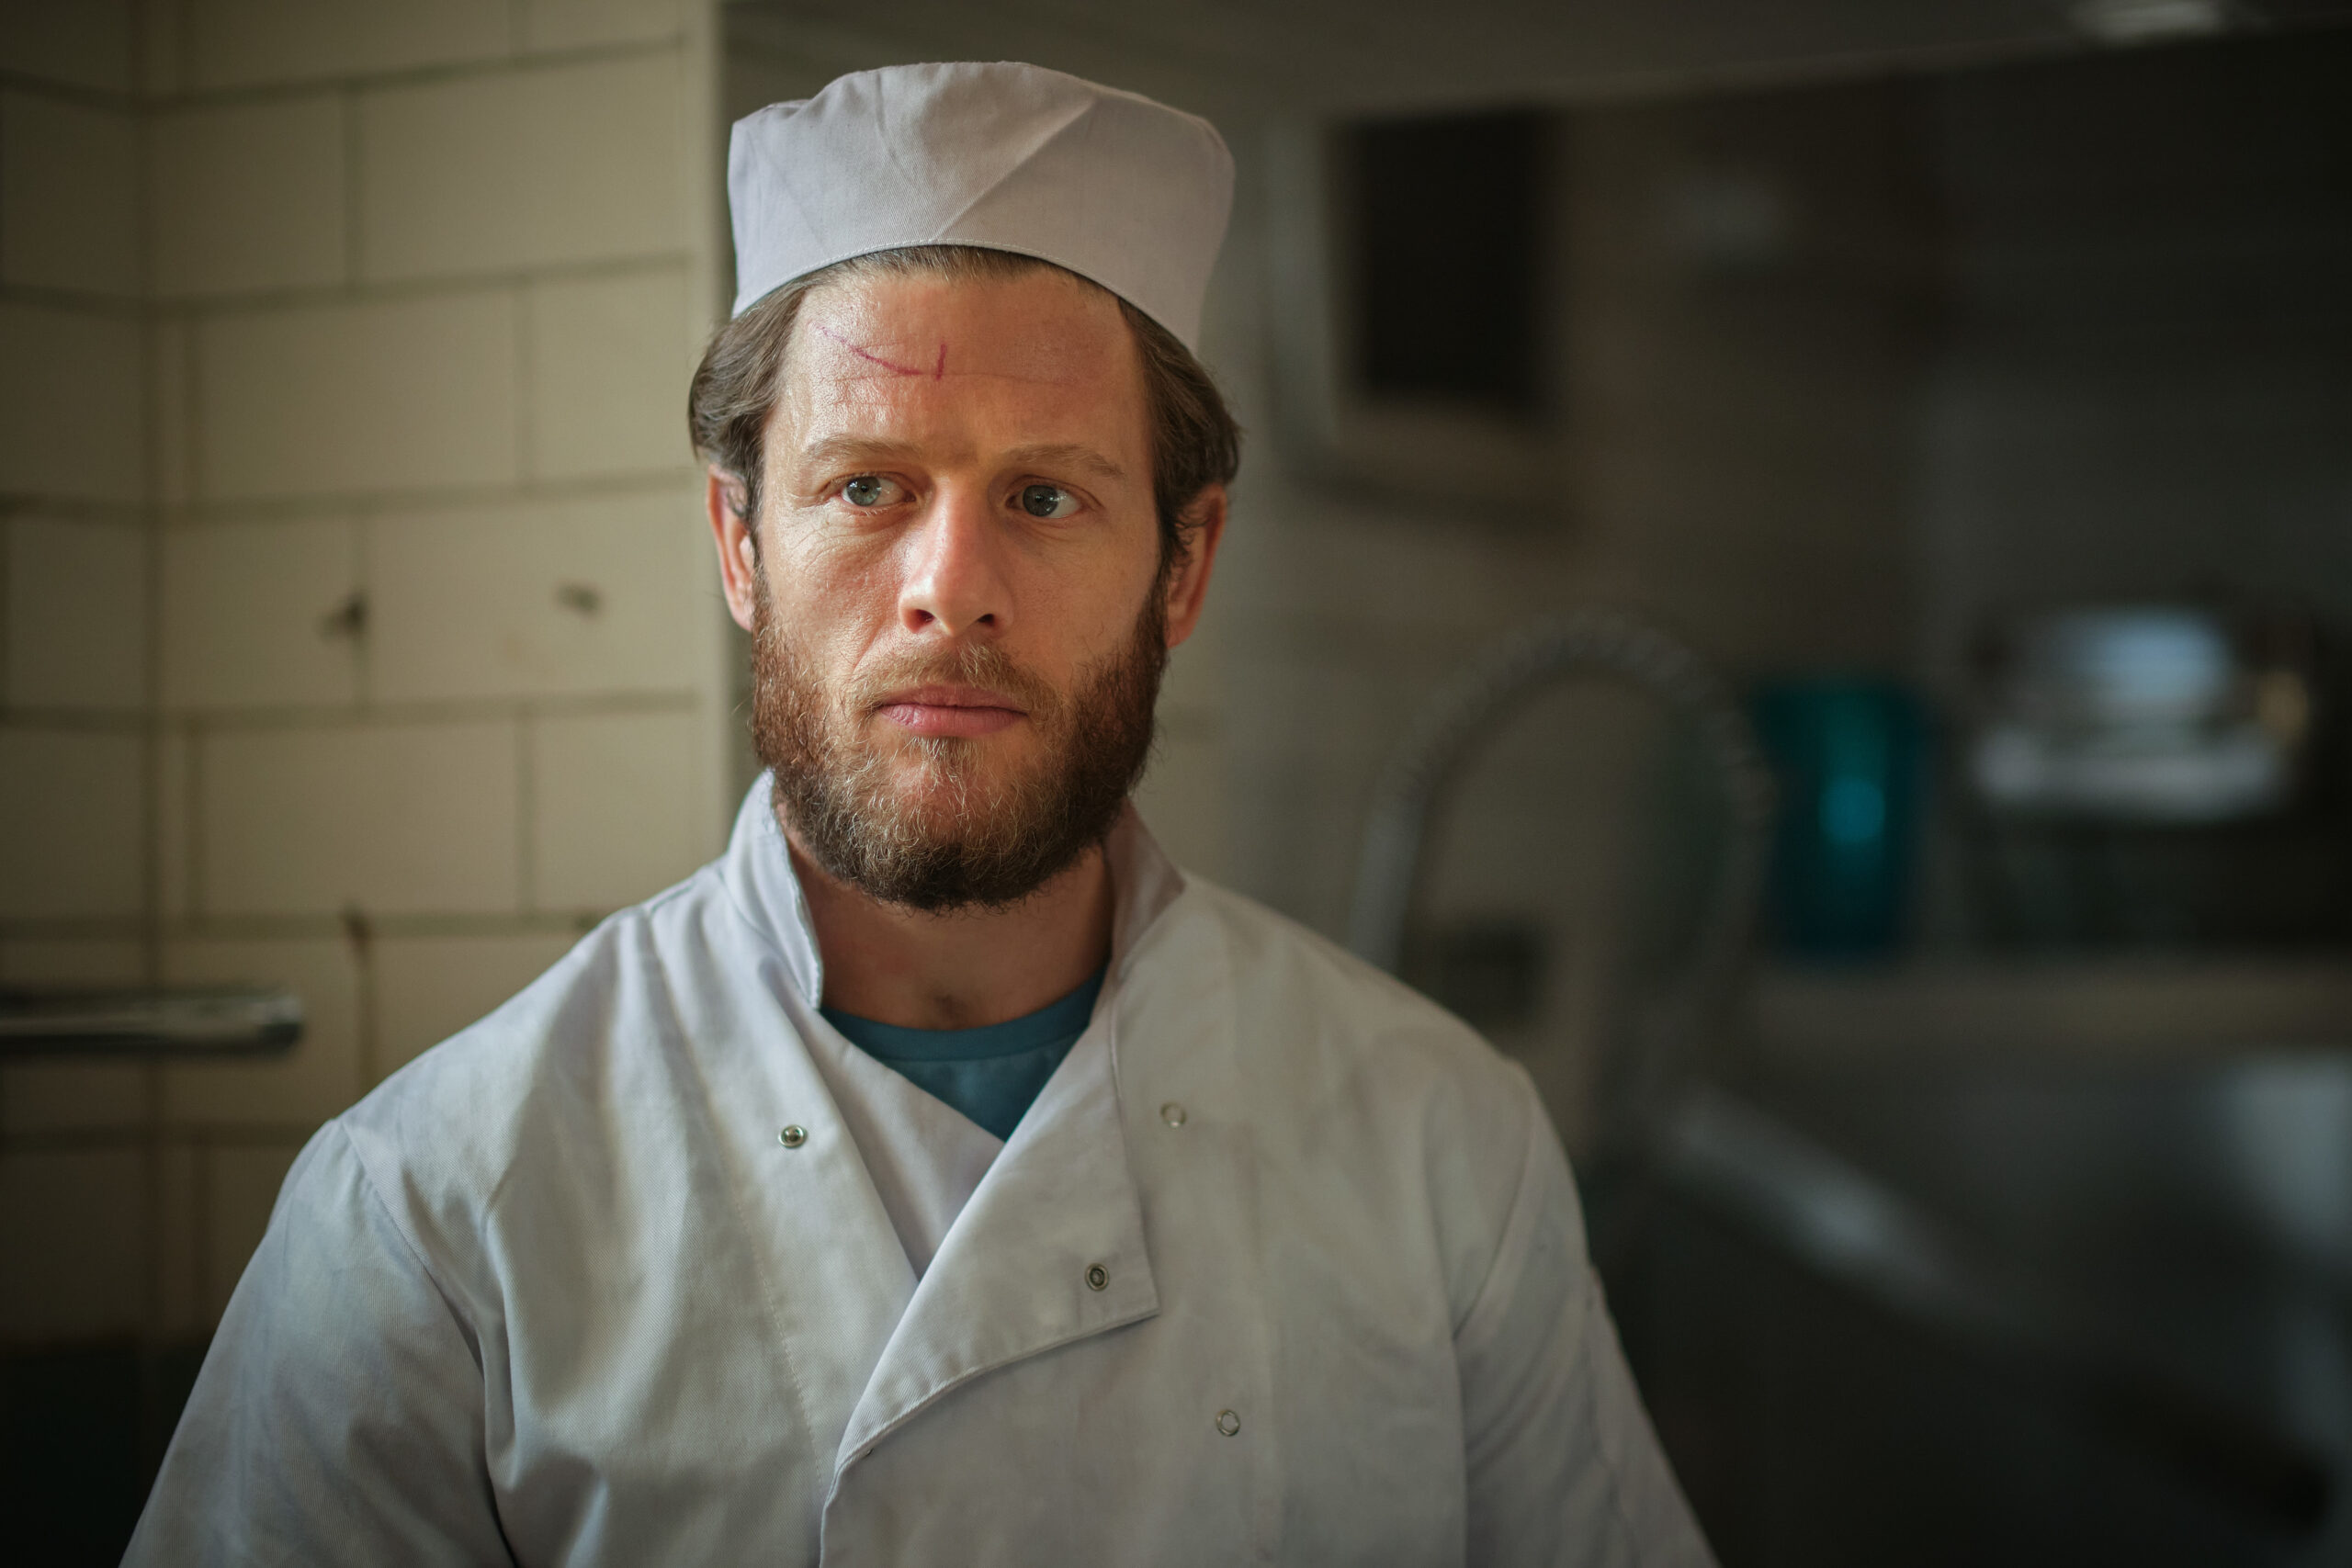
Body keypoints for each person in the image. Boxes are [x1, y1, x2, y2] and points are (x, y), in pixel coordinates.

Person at [127, 62, 1713, 1566]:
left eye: (1044, 497)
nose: (950, 590)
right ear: (741, 545)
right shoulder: (430, 1210)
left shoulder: (1438, 1144)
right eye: (867, 488)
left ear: (1185, 563)